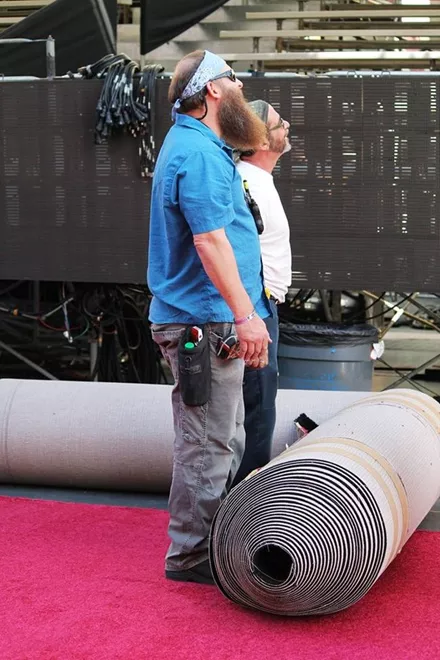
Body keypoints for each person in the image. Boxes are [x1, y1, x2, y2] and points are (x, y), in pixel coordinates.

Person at [147, 51, 272, 585]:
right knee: (207, 444)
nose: (242, 87)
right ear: (214, 90)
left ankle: (206, 547)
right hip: (206, 322)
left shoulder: (196, 146)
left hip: (208, 320)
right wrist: (247, 315)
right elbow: (210, 242)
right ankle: (192, 556)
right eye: (234, 79)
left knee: (222, 438)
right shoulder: (198, 153)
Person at [232, 99, 292, 485]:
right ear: (261, 141)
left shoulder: (258, 180)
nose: (287, 125)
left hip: (263, 303)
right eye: (279, 122)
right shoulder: (245, 181)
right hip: (256, 305)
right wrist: (250, 314)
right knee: (257, 409)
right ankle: (245, 502)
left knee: (261, 405)